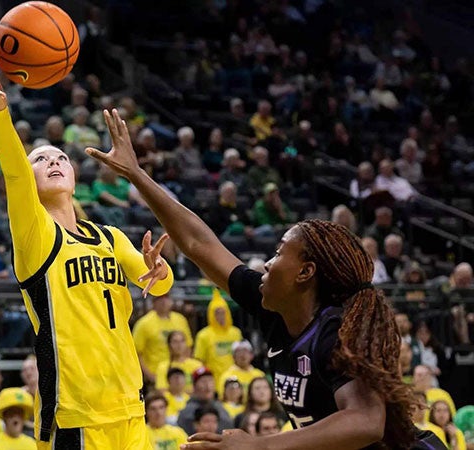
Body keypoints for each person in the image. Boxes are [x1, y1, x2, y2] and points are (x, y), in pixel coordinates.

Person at [85, 108, 446, 449]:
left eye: (277, 255)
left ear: (305, 273)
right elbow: (198, 243)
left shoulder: (335, 331)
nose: (267, 265)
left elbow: (366, 421)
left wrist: (259, 445)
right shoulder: (272, 307)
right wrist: (136, 174)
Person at [0, 55, 173, 448]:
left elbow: (158, 288)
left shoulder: (110, 237)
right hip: (74, 411)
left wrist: (160, 272)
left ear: (75, 178)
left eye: (60, 157)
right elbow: (13, 168)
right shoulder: (35, 234)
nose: (54, 161)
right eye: (41, 160)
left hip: (129, 405)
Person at [133, 294, 193, 384]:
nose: (164, 302)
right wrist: (149, 375)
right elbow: (137, 353)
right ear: (154, 302)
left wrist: (185, 369)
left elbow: (188, 346)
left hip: (179, 376)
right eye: (160, 299)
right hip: (155, 374)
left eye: (166, 298)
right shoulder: (143, 323)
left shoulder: (180, 319)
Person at [194, 290, 242, 379]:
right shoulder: (203, 335)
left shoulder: (236, 333)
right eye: (217, 313)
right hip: (213, 381)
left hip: (234, 379)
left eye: (223, 312)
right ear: (211, 314)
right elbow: (199, 360)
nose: (221, 316)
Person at [177, 368, 233, 435]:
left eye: (210, 381)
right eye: (203, 381)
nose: (208, 386)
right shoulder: (187, 412)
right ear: (194, 386)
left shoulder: (221, 408)